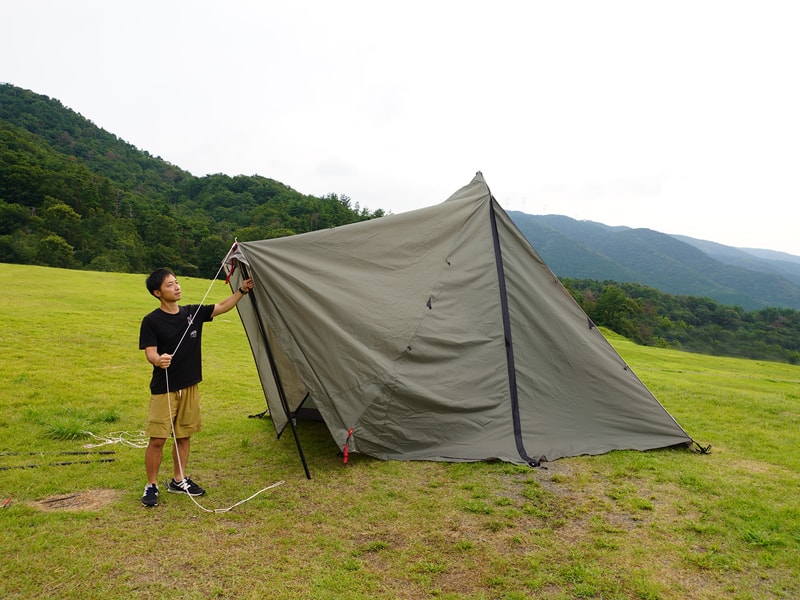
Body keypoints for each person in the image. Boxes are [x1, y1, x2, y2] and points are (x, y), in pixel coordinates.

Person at [138, 268, 254, 508]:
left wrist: (242, 290)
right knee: (158, 439)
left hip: (190, 385)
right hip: (165, 388)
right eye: (170, 285)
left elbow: (222, 306)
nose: (177, 287)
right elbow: (150, 352)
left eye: (177, 282)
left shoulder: (192, 313)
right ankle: (152, 485)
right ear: (157, 293)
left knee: (184, 436)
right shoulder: (151, 321)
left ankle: (178, 480)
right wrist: (158, 360)